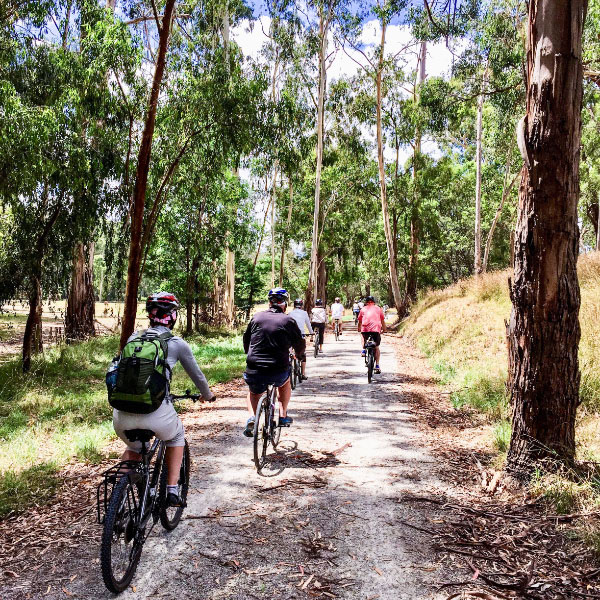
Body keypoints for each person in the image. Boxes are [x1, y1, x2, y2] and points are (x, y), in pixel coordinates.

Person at [112, 292, 216, 507]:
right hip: (156, 414)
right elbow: (197, 376)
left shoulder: (133, 337)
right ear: (173, 316)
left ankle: (116, 500)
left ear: (150, 315)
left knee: (134, 448)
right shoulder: (177, 343)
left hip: (121, 415)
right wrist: (208, 396)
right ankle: (171, 490)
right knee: (177, 436)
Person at [242, 288, 305, 437]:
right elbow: (299, 343)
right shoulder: (288, 320)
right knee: (285, 383)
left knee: (253, 391)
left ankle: (252, 418)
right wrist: (299, 355)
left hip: (255, 368)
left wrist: (248, 352)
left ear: (270, 302)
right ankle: (283, 416)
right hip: (278, 369)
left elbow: (246, 339)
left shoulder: (256, 317)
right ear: (285, 304)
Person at [357, 295, 386, 374]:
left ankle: (363, 350)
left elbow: (359, 321)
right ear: (374, 302)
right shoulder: (378, 309)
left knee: (362, 335)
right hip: (376, 329)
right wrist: (385, 329)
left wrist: (359, 329)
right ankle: (377, 365)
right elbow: (382, 321)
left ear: (366, 302)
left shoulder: (363, 309)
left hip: (365, 329)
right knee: (376, 347)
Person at [289, 298, 313, 379]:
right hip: (300, 336)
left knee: (289, 351)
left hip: (290, 336)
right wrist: (311, 333)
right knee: (302, 355)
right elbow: (308, 324)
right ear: (301, 305)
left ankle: (290, 358)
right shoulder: (304, 313)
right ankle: (303, 374)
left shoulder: (290, 313)